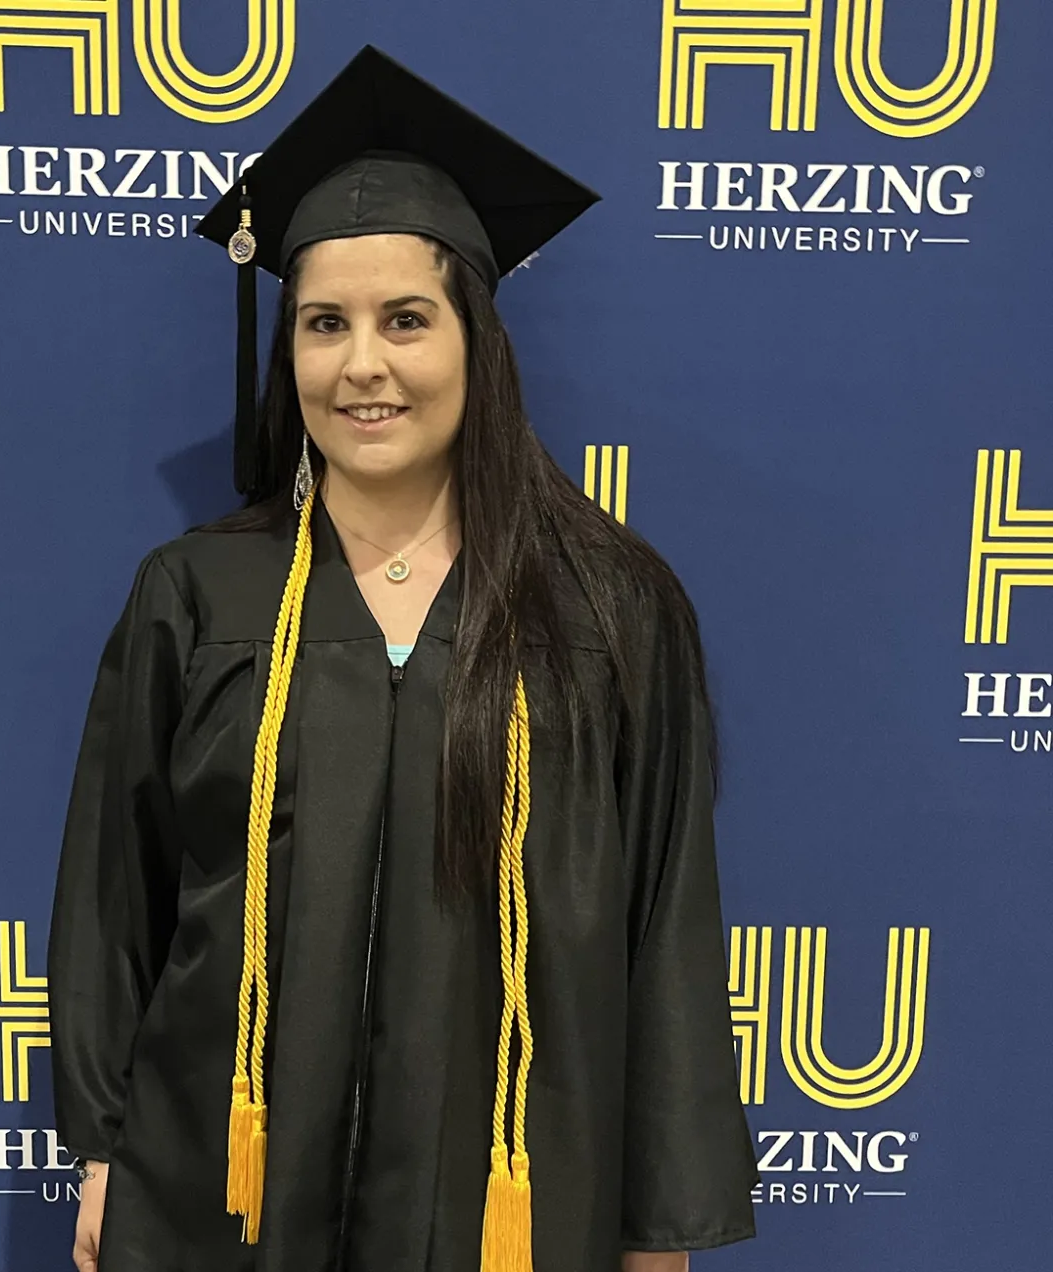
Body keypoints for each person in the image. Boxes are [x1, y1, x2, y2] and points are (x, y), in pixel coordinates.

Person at [46, 44, 757, 1272]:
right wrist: (105, 1144)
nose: (362, 364)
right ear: (290, 354)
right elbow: (117, 895)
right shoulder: (197, 594)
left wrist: (659, 1225)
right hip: (220, 1192)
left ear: (477, 344)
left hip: (508, 1202)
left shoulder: (607, 609)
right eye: (324, 324)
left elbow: (665, 931)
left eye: (406, 321)